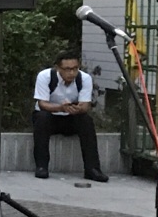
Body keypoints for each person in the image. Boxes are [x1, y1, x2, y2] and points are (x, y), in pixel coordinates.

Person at [32, 50, 107, 182]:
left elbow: (85, 106)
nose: (71, 73)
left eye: (75, 69)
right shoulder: (45, 76)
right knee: (42, 118)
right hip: (49, 116)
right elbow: (42, 104)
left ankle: (92, 169)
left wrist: (77, 109)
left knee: (86, 121)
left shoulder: (84, 78)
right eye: (67, 69)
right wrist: (60, 108)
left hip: (71, 116)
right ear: (58, 68)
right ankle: (42, 166)